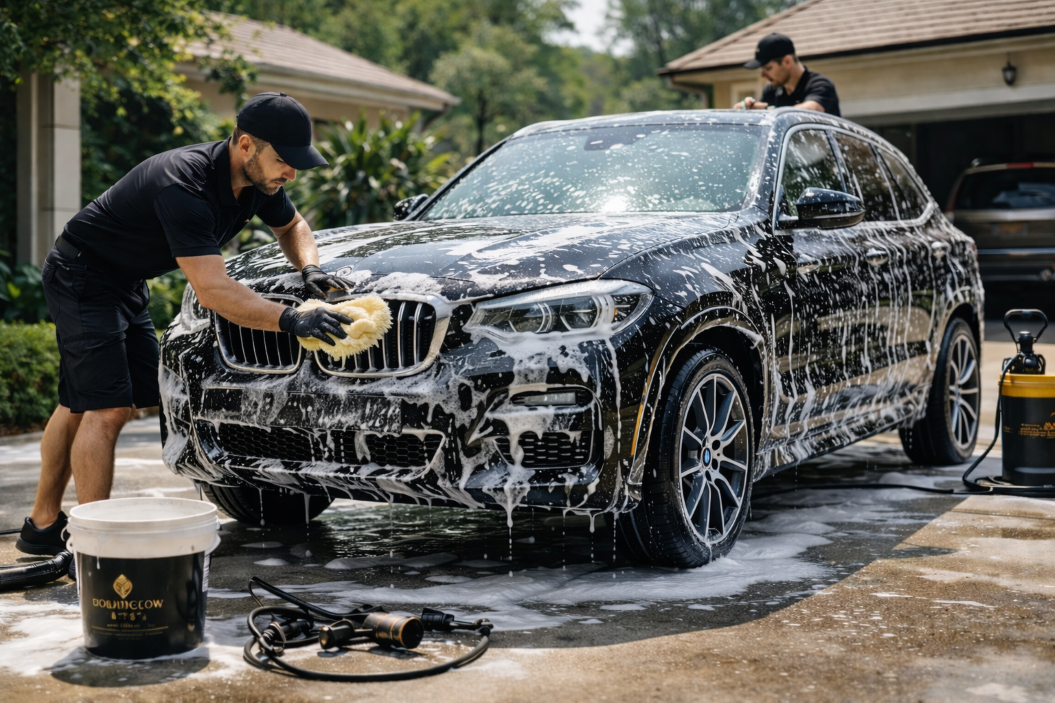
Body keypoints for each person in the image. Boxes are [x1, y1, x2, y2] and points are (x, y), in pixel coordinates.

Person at [16, 92, 355, 556]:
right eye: (283, 161)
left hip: (124, 280)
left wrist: (309, 268)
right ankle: (95, 548)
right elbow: (214, 291)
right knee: (107, 408)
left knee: (81, 401)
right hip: (82, 275)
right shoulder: (184, 186)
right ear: (246, 145)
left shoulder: (258, 181)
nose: (291, 174)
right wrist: (292, 319)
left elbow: (292, 226)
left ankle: (42, 524)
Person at [734, 33, 840, 116]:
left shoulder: (820, 84)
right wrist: (748, 109)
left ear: (787, 62)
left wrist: (766, 109)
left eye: (768, 68)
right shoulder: (771, 90)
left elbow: (810, 111)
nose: (763, 75)